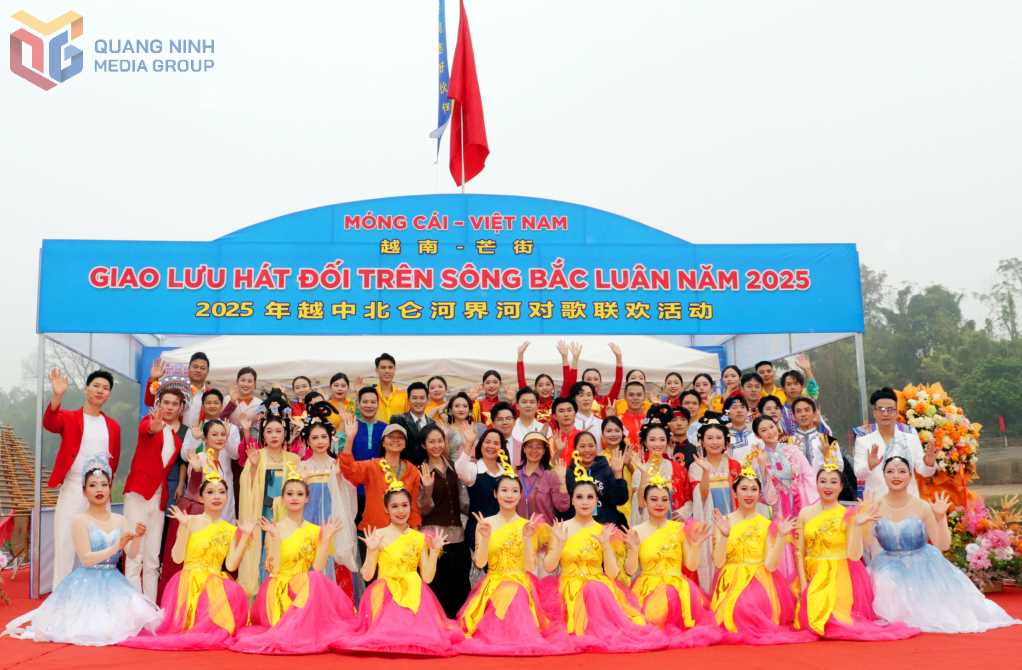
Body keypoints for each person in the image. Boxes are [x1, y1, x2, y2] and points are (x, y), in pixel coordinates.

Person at [5, 456, 161, 645]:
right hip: (88, 582)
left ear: (109, 488)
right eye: (93, 485)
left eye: (104, 485)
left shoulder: (120, 520)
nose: (99, 489)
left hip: (115, 582)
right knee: (90, 627)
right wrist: (117, 546)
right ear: (84, 491)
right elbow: (87, 559)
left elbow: (132, 554)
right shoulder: (80, 520)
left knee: (135, 622)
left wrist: (137, 538)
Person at [868, 457, 1021, 633]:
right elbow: (863, 544)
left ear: (910, 476)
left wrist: (941, 518)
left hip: (923, 566)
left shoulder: (922, 507)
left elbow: (942, 544)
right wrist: (860, 521)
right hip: (887, 566)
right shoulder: (874, 506)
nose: (896, 476)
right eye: (890, 471)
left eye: (902, 471)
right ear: (884, 475)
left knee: (937, 613)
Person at [331, 468, 463, 656]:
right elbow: (367, 575)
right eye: (394, 506)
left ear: (411, 506)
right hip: (385, 595)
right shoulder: (378, 535)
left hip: (415, 593)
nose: (400, 511)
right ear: (386, 509)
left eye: (404, 505)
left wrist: (434, 552)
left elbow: (427, 577)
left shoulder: (418, 537)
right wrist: (372, 550)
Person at [122, 464, 254, 650]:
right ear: (201, 497)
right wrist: (184, 527)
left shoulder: (230, 529)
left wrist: (245, 537)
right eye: (210, 492)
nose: (216, 496)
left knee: (230, 598)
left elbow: (231, 566)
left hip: (214, 584)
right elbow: (177, 558)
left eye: (221, 492)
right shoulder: (190, 521)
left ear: (227, 496)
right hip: (189, 584)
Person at [540, 466, 668, 652]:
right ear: (572, 500)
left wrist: (606, 545)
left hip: (599, 589)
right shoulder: (560, 529)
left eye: (590, 497)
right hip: (568, 589)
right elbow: (549, 566)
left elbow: (613, 573)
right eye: (579, 497)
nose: (585, 502)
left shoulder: (605, 531)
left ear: (596, 501)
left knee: (594, 588)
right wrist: (559, 544)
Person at [230, 466, 355, 655]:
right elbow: (273, 569)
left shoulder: (315, 530)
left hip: (304, 588)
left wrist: (325, 539)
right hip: (281, 591)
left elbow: (318, 568)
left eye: (299, 494)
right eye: (289, 494)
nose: (294, 498)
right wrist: (275, 538)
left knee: (314, 579)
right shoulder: (274, 528)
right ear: (282, 499)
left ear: (307, 498)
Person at [457, 457, 576, 656]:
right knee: (504, 593)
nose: (509, 495)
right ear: (495, 494)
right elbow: (480, 562)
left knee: (515, 592)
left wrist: (528, 539)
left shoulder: (528, 526)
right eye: (504, 490)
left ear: (520, 495)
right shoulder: (485, 523)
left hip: (521, 583)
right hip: (493, 583)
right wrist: (484, 538)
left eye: (514, 491)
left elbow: (530, 567)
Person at [795, 460, 918, 640]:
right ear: (816, 484)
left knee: (834, 621)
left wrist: (857, 525)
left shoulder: (848, 514)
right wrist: (803, 582)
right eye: (823, 481)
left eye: (833, 482)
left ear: (841, 486)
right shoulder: (805, 513)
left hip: (840, 575)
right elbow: (799, 551)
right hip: (813, 574)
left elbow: (855, 555)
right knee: (811, 618)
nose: (828, 486)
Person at [708, 468, 811, 644]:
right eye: (744, 489)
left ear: (759, 493)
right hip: (730, 582)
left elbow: (770, 566)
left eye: (753, 489)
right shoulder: (724, 522)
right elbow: (718, 563)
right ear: (735, 492)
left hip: (760, 580)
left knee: (751, 603)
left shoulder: (766, 524)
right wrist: (724, 535)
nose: (749, 494)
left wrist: (780, 537)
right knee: (738, 607)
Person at [43, 368, 122, 589]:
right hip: (74, 486)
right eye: (96, 386)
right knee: (66, 542)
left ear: (109, 394)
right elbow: (50, 423)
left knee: (99, 546)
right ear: (86, 389)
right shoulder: (70, 417)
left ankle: (94, 596)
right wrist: (57, 395)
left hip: (100, 490)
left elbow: (114, 461)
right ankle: (61, 597)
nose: (100, 390)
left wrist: (105, 487)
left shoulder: (113, 426)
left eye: (105, 388)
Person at [623, 471, 721, 648]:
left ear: (669, 502)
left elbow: (691, 565)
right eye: (654, 499)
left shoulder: (679, 528)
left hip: (678, 588)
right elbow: (630, 570)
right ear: (645, 501)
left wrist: (695, 545)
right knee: (649, 619)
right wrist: (634, 549)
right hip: (647, 588)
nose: (659, 504)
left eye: (664, 499)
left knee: (669, 595)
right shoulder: (637, 531)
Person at [158, 417, 234, 601]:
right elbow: (193, 488)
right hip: (194, 512)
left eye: (222, 434)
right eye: (214, 434)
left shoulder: (220, 460)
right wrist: (198, 471)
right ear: (205, 438)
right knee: (185, 560)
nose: (219, 438)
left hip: (210, 516)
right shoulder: (200, 458)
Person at [124, 385, 185, 601]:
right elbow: (146, 430)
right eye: (166, 402)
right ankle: (133, 606)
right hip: (138, 495)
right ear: (159, 404)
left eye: (174, 404)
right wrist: (153, 427)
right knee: (134, 554)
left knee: (153, 558)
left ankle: (149, 605)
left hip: (159, 500)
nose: (169, 407)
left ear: (181, 408)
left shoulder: (177, 440)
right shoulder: (148, 423)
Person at [238, 411, 301, 596]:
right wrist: (254, 466)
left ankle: (282, 593)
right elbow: (246, 486)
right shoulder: (256, 455)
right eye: (269, 431)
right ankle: (261, 593)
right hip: (261, 513)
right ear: (263, 435)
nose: (274, 435)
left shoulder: (293, 459)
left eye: (278, 431)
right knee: (260, 551)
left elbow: (299, 488)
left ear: (285, 434)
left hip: (285, 514)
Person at [751, 415, 817, 592]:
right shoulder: (758, 459)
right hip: (780, 509)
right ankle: (788, 592)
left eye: (771, 427)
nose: (769, 432)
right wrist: (763, 467)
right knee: (785, 548)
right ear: (758, 435)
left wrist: (804, 499)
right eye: (763, 430)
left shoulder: (793, 450)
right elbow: (767, 497)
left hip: (800, 504)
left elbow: (809, 477)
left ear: (777, 427)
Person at [297, 404, 358, 580]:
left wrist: (338, 477)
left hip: (334, 518)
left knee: (333, 557)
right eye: (315, 438)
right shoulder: (302, 466)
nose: (320, 441)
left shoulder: (337, 464)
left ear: (331, 439)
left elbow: (348, 494)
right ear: (308, 441)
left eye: (324, 437)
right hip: (309, 519)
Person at [417, 425, 471, 618]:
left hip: (457, 536)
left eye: (440, 441)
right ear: (423, 445)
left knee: (460, 585)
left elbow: (464, 502)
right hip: (433, 539)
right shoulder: (420, 470)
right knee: (436, 587)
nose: (436, 445)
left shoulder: (454, 467)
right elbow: (422, 509)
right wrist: (428, 488)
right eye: (431, 442)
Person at [339, 420, 422, 536]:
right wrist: (350, 438)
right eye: (391, 437)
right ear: (383, 443)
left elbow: (413, 507)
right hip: (373, 533)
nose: (395, 440)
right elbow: (348, 469)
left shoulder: (413, 471)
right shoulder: (371, 466)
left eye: (400, 437)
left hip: (402, 534)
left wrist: (415, 533)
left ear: (405, 444)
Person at [688, 420, 743, 591]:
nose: (714, 442)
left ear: (726, 441)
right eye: (709, 438)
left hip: (732, 518)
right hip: (710, 519)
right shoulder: (696, 466)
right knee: (712, 558)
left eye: (719, 438)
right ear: (702, 442)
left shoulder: (734, 465)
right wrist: (706, 471)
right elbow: (701, 496)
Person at [853, 387, 938, 498]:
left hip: (908, 502)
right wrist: (869, 465)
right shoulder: (863, 441)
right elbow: (858, 474)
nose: (885, 413)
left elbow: (925, 472)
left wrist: (929, 463)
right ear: (874, 413)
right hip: (876, 503)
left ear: (897, 412)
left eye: (890, 409)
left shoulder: (911, 439)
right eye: (881, 409)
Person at [455, 429, 510, 559]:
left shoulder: (506, 471)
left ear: (502, 448)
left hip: (503, 531)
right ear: (481, 445)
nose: (491, 446)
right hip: (478, 532)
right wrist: (469, 444)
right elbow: (460, 468)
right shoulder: (474, 469)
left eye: (496, 443)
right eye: (487, 442)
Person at [630, 417, 689, 526]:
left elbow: (689, 497)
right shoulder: (639, 471)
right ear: (645, 442)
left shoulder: (678, 468)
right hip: (648, 525)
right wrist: (643, 474)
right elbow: (639, 505)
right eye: (652, 440)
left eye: (662, 439)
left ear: (667, 442)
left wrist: (683, 512)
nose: (658, 444)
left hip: (674, 524)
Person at [564, 432, 629, 527]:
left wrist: (618, 474)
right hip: (578, 527)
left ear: (596, 448)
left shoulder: (606, 470)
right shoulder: (569, 473)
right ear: (575, 449)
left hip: (606, 526)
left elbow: (620, 500)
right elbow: (563, 506)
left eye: (591, 446)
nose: (587, 450)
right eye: (582, 446)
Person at [516, 340, 580, 422]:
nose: (544, 388)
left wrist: (567, 358)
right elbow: (521, 381)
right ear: (535, 388)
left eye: (548, 384)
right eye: (540, 385)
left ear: (553, 387)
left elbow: (568, 383)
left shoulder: (558, 404)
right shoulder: (531, 405)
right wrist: (520, 356)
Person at [516, 432, 570, 523]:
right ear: (524, 449)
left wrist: (562, 481)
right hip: (518, 529)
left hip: (544, 529)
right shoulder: (514, 474)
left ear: (544, 451)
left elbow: (562, 507)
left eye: (539, 447)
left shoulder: (550, 476)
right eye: (530, 446)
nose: (534, 450)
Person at [143, 353, 210, 426]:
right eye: (195, 367)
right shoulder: (175, 387)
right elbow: (149, 402)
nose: (198, 370)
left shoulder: (210, 394)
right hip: (174, 431)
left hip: (199, 432)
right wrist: (153, 378)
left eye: (202, 368)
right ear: (188, 369)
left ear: (207, 372)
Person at [391, 381, 434, 465]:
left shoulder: (432, 424)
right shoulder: (398, 420)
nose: (418, 401)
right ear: (408, 400)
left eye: (422, 398)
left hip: (427, 469)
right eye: (414, 398)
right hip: (404, 468)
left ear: (427, 400)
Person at [578, 342, 623, 417]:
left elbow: (618, 382)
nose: (592, 382)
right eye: (589, 379)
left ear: (600, 383)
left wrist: (619, 358)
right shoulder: (577, 400)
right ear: (582, 383)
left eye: (596, 379)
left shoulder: (606, 400)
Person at [509, 387, 550, 466]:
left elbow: (549, 458)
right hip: (511, 469)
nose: (528, 405)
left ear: (537, 405)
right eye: (524, 402)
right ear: (517, 405)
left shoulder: (545, 428)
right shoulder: (509, 428)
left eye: (532, 402)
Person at [446, 391, 486, 463]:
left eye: (465, 406)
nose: (461, 409)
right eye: (457, 406)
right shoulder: (446, 431)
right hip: (455, 467)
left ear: (470, 411)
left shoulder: (480, 428)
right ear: (450, 411)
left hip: (477, 467)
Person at [370, 353, 407, 423]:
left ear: (394, 370)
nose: (387, 371)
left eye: (390, 367)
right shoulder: (371, 394)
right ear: (377, 370)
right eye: (383, 367)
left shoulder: (404, 395)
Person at [723, 396, 761, 461]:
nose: (739, 410)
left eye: (742, 407)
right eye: (734, 407)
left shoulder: (757, 431)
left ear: (748, 411)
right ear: (727, 413)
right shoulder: (722, 436)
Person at [619, 380, 648, 449]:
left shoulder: (651, 420)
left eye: (639, 395)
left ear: (644, 396)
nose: (635, 398)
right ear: (625, 396)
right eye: (631, 395)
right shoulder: (618, 421)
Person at [551, 397, 581, 462]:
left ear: (575, 414)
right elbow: (549, 465)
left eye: (569, 410)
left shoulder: (582, 436)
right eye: (561, 411)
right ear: (554, 416)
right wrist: (559, 451)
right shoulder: (551, 439)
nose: (566, 414)